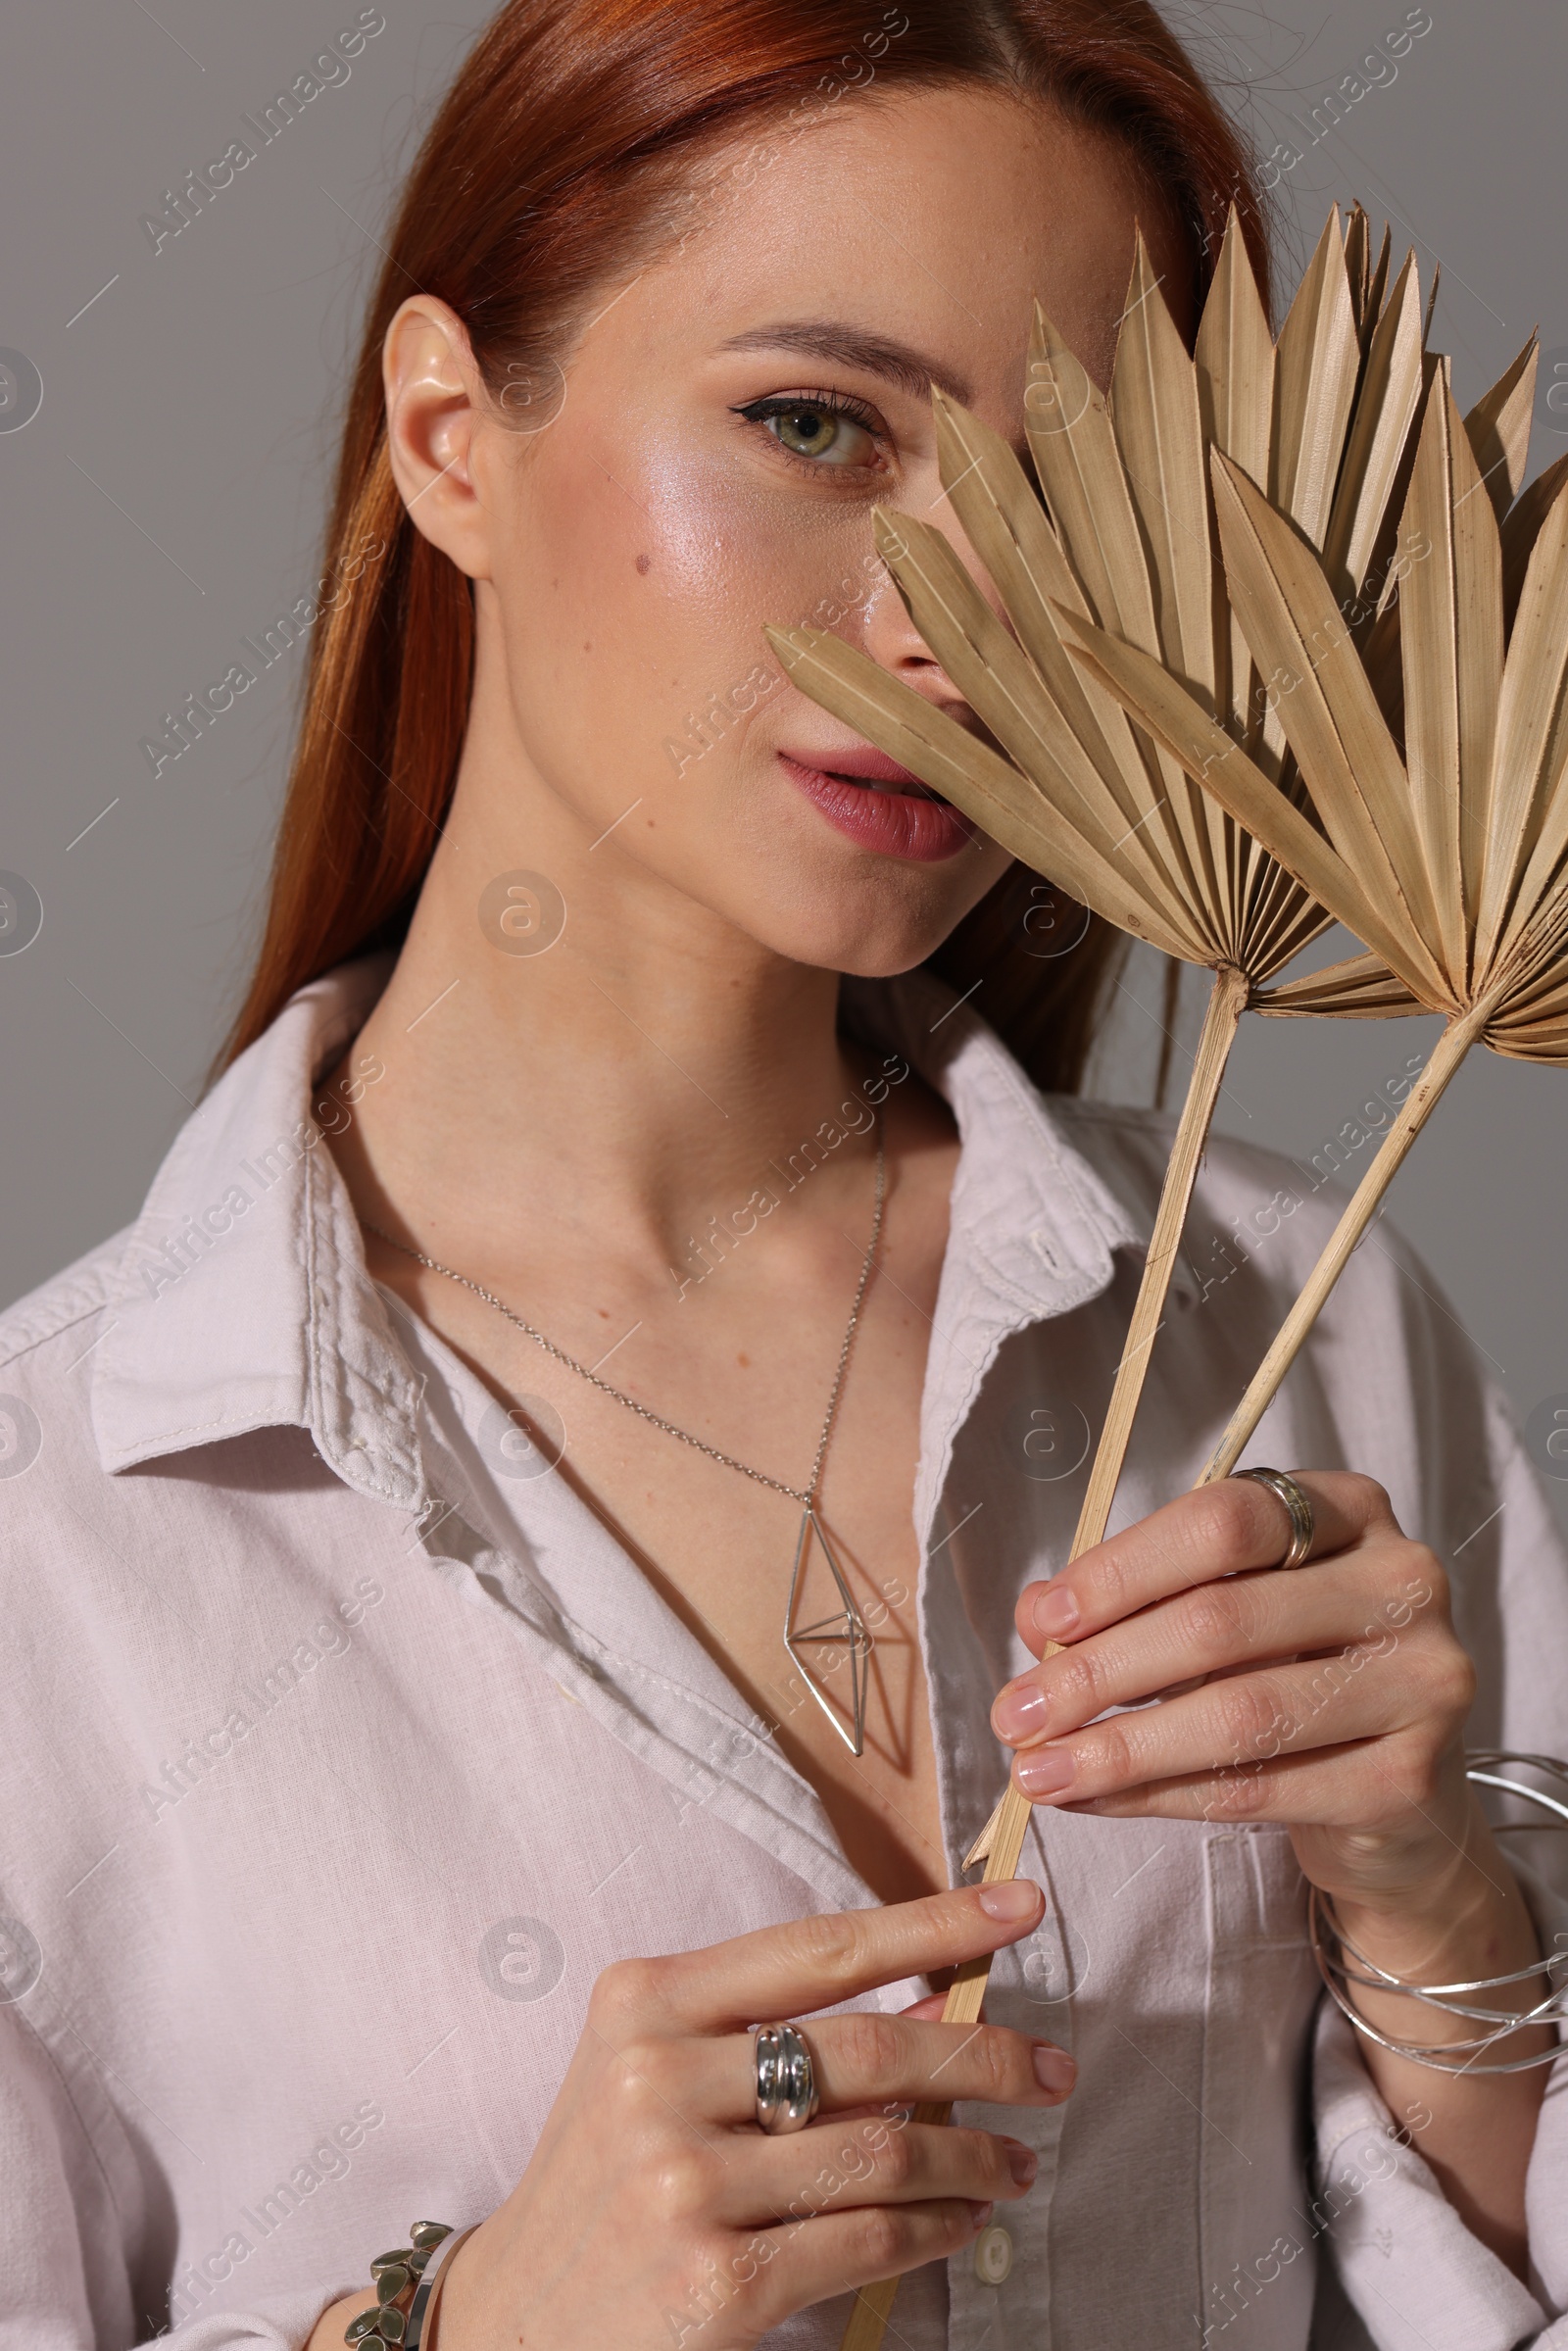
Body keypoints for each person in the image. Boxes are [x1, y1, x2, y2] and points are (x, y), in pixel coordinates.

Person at [3, 4, 1566, 2346]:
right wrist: (451, 2331)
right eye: (813, 425)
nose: (956, 628)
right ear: (451, 435)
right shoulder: (62, 1536)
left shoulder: (1296, 1320)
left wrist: (1444, 1924)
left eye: (1076, 498)